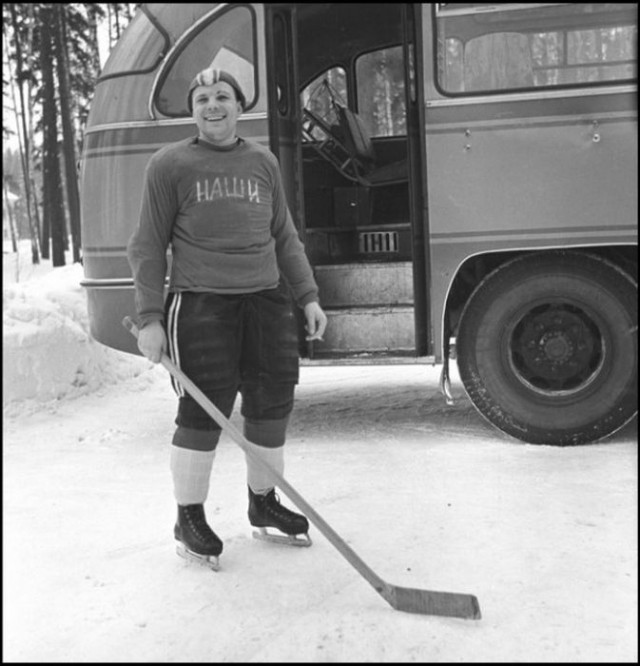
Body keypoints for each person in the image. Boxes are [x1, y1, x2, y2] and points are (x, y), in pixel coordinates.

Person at [127, 67, 327, 566]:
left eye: (222, 96)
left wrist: (307, 296)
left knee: (271, 405)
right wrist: (150, 318)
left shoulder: (264, 163)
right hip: (201, 306)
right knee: (202, 411)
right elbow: (147, 246)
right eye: (201, 99)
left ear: (240, 106)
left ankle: (263, 503)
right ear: (192, 111)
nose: (212, 105)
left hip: (265, 302)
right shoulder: (169, 165)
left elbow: (284, 236)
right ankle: (188, 516)